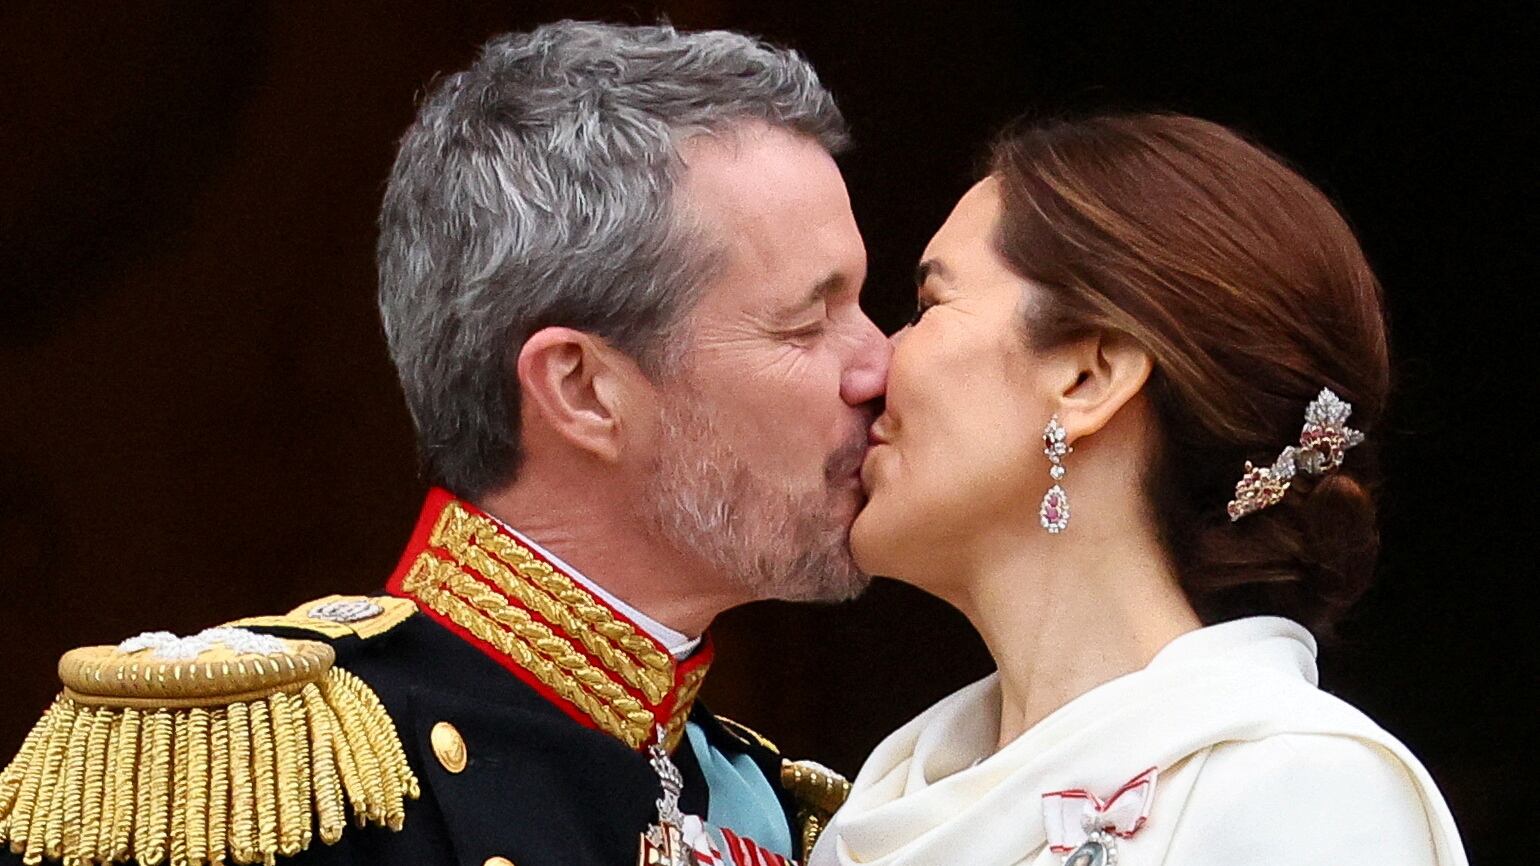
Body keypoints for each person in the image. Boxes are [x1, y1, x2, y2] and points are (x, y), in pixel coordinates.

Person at [0, 21, 885, 866]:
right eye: (809, 323)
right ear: (581, 388)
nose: (881, 365)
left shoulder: (769, 806)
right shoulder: (240, 779)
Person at [809, 113, 1468, 865]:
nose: (869, 370)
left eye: (928, 309)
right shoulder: (881, 805)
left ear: (1087, 379)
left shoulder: (1300, 791)